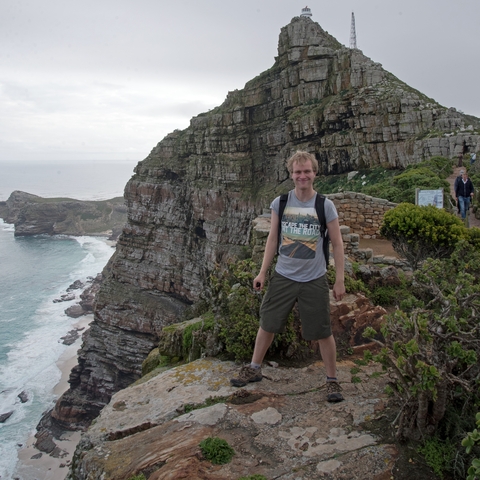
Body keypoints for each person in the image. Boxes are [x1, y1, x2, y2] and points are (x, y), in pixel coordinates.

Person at [230, 151, 346, 403]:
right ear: (291, 174)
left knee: (323, 331)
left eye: (306, 171)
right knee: (267, 323)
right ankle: (254, 368)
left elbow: (337, 243)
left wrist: (339, 279)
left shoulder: (324, 205)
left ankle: (332, 381)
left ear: (314, 173)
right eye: (297, 172)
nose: (302, 176)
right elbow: (272, 239)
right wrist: (262, 271)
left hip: (314, 278)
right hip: (283, 275)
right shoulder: (280, 203)